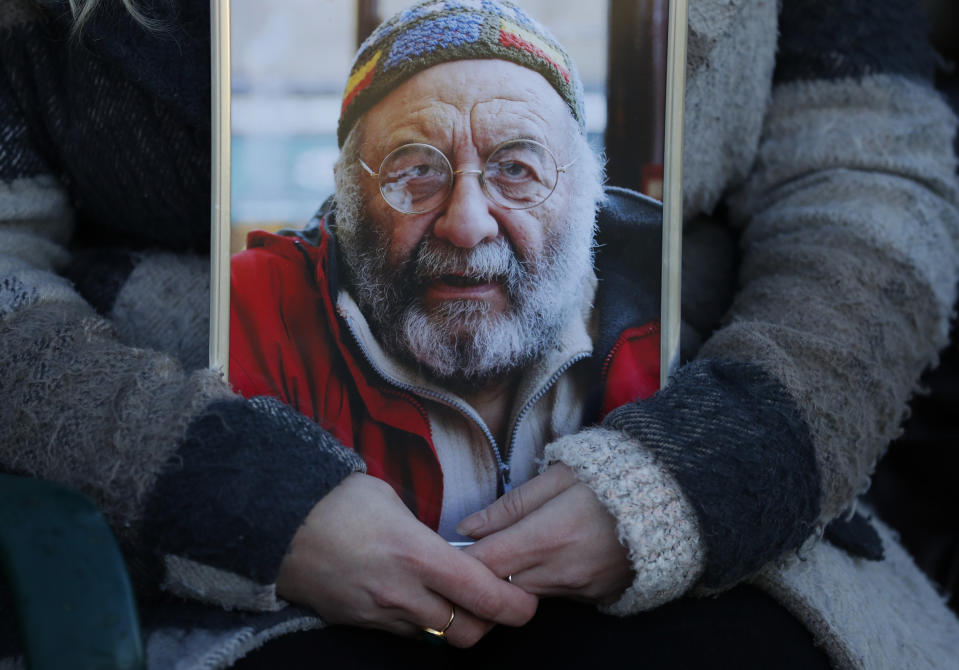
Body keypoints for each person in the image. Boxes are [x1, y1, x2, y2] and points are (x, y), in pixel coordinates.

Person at [2, 0, 958, 668]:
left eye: (515, 170)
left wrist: (720, 465)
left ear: (589, 195)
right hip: (202, 567)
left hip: (722, 545)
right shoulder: (272, 298)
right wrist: (228, 490)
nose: (465, 225)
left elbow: (868, 187)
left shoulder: (625, 283)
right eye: (411, 171)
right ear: (336, 201)